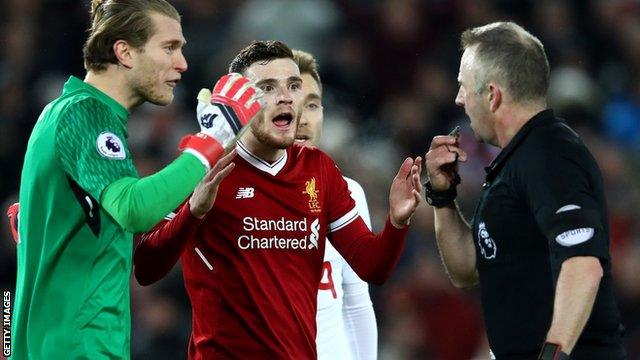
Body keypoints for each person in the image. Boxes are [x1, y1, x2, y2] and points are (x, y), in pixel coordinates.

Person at [133, 40, 422, 359]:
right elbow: (146, 268)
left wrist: (397, 220)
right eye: (267, 87)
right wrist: (194, 212)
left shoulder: (319, 169)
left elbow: (372, 267)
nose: (285, 96)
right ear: (241, 100)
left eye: (293, 86)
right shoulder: (204, 165)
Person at [10, 0, 261, 358]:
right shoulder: (87, 115)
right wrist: (214, 139)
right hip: (80, 349)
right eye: (169, 48)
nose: (182, 64)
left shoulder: (66, 112)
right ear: (125, 52)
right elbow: (133, 208)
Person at [424, 21, 625, 359]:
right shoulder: (516, 161)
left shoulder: (550, 155)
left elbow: (582, 265)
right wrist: (443, 197)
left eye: (463, 87)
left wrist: (551, 356)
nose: (458, 99)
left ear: (492, 95)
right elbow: (468, 269)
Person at [292, 49, 377, 360]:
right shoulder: (232, 195)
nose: (302, 118)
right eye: (288, 104)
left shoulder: (349, 194)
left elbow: (356, 303)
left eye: (311, 104)